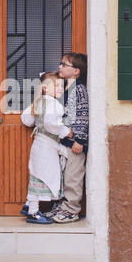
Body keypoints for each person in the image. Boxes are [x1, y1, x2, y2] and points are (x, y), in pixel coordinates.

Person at [20, 71, 73, 224]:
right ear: (45, 88)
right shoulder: (54, 104)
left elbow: (26, 120)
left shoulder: (40, 102)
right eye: (56, 86)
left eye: (61, 86)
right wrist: (65, 131)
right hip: (47, 147)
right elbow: (51, 124)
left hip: (39, 145)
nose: (60, 89)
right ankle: (33, 212)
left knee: (37, 175)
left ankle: (29, 204)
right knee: (45, 176)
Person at [45, 52, 89, 223]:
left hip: (75, 143)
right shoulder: (64, 88)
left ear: (76, 71)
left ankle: (72, 209)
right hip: (64, 141)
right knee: (62, 175)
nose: (60, 67)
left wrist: (80, 140)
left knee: (73, 176)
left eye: (64, 64)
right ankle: (61, 205)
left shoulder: (78, 89)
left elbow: (83, 116)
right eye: (60, 63)